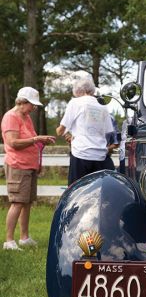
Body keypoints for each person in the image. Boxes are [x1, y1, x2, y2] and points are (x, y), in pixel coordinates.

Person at [1, 86, 56, 250]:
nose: (34, 107)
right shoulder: (10, 117)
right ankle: (9, 241)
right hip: (18, 165)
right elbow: (12, 143)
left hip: (29, 165)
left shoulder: (26, 117)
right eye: (32, 104)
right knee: (17, 202)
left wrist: (40, 143)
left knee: (27, 203)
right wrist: (36, 138)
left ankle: (24, 237)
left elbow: (31, 140)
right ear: (22, 102)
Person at [56, 76, 113, 185]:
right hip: (100, 155)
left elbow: (61, 130)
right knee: (100, 192)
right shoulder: (102, 105)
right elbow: (108, 131)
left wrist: (62, 132)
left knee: (77, 191)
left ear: (78, 90)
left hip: (81, 154)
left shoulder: (75, 102)